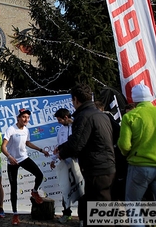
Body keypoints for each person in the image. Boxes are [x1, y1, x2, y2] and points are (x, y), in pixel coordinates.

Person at [55, 83, 115, 227]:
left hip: (97, 169)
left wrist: (62, 153)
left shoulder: (84, 116)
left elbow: (76, 145)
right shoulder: (101, 115)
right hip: (104, 167)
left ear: (75, 99)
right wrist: (63, 147)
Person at [118, 84, 156, 220]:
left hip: (139, 166)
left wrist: (127, 153)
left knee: (133, 204)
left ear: (134, 100)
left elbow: (124, 144)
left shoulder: (130, 116)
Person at [1, 109, 49, 225]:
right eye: (23, 117)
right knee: (14, 188)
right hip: (12, 162)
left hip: (23, 158)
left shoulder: (26, 130)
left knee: (39, 175)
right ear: (18, 118)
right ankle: (15, 214)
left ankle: (34, 191)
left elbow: (27, 143)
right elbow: (3, 147)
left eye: (27, 117)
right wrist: (9, 157)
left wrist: (41, 150)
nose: (26, 119)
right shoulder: (11, 129)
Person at [50, 108, 73, 223]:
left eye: (59, 120)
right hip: (65, 163)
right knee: (65, 188)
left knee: (81, 190)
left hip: (77, 163)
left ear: (66, 118)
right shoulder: (61, 130)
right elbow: (58, 146)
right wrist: (53, 159)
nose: (58, 122)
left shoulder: (76, 127)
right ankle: (67, 213)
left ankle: (83, 217)